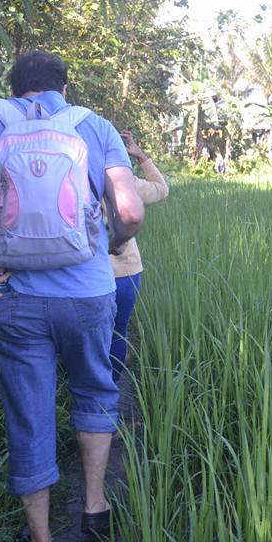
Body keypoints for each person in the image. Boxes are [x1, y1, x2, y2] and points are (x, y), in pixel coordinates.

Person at [0, 51, 144, 542]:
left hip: (15, 296)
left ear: (14, 87)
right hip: (88, 294)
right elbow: (131, 211)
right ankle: (95, 508)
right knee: (95, 390)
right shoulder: (94, 125)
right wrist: (115, 242)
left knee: (29, 413)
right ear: (63, 88)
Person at [109, 130, 169, 382]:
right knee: (118, 332)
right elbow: (161, 189)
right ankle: (111, 390)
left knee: (89, 337)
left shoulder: (74, 179)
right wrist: (141, 156)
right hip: (126, 272)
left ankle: (87, 392)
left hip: (86, 274)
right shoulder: (127, 183)